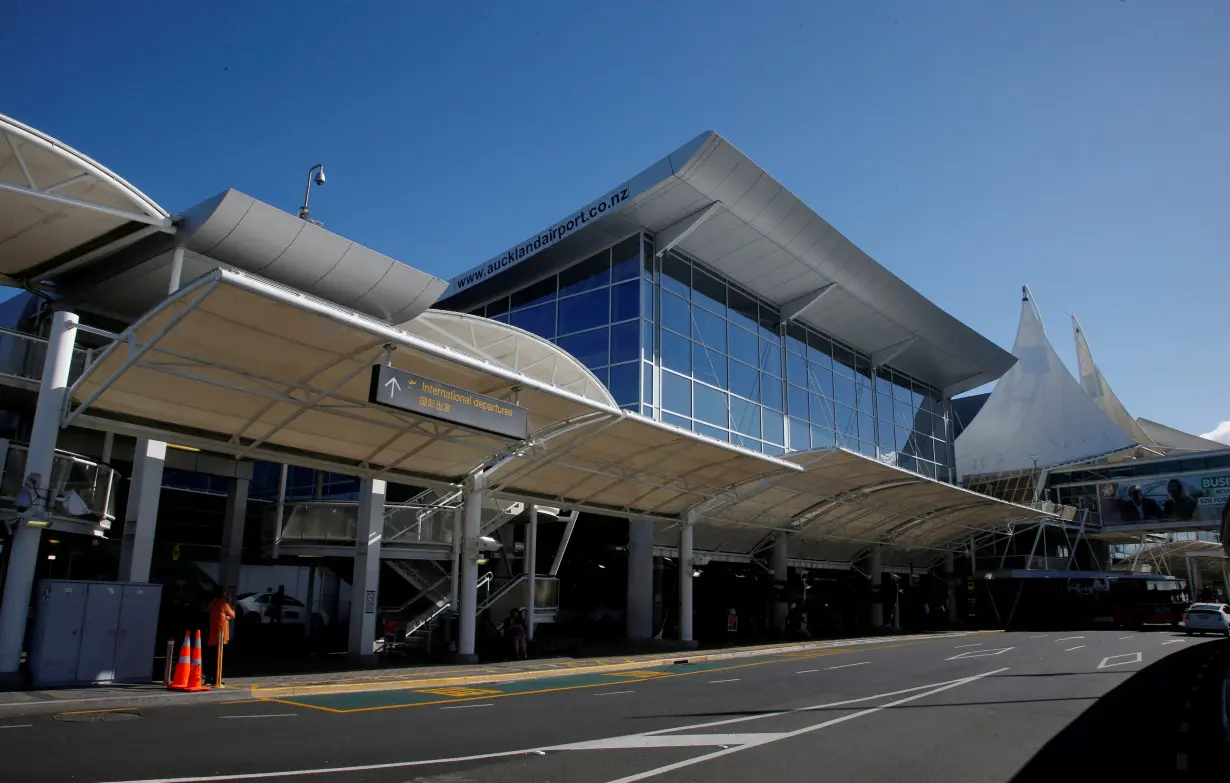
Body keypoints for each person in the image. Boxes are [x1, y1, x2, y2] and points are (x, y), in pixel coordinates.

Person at [206, 589, 235, 685]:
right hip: (220, 636)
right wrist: (229, 614)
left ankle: (208, 678)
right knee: (219, 659)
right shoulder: (224, 604)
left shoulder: (213, 604)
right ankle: (216, 678)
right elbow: (233, 614)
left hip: (212, 635)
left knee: (211, 658)